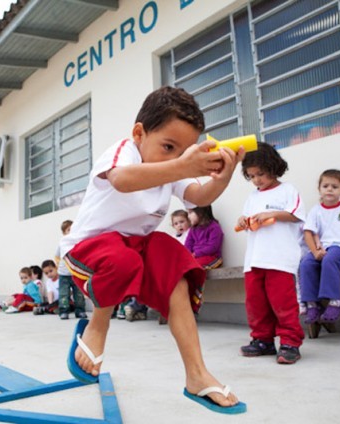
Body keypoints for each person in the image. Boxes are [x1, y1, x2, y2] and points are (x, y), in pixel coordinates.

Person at [60, 86, 245, 414]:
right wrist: (185, 166)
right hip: (89, 251)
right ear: (139, 133)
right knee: (124, 258)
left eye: (185, 152)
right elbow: (122, 180)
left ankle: (196, 374)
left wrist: (223, 177)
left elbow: (199, 198)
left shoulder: (173, 169)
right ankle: (98, 325)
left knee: (174, 259)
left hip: (134, 251)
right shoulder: (124, 151)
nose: (177, 158)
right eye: (169, 147)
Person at [237, 142, 305, 364]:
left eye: (261, 174)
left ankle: (290, 342)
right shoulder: (252, 197)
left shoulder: (288, 190)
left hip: (280, 258)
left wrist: (271, 214)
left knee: (283, 303)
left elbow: (296, 215)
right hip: (254, 259)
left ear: (273, 167)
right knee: (256, 303)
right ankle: (263, 340)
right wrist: (242, 220)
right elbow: (247, 219)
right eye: (252, 176)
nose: (257, 180)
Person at [298, 170, 340, 330]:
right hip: (322, 247)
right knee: (306, 264)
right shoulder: (315, 210)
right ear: (319, 188)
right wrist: (314, 252)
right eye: (325, 186)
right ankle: (312, 304)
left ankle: (335, 301)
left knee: (329, 259)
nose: (329, 189)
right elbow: (308, 233)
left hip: (339, 247)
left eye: (335, 186)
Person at [56, 220, 88, 320]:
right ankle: (64, 311)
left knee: (78, 294)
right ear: (64, 233)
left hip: (76, 273)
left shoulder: (78, 241)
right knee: (63, 294)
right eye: (68, 230)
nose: (71, 232)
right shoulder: (62, 242)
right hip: (63, 274)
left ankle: (80, 310)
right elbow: (57, 256)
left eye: (73, 229)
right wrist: (59, 266)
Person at [185, 205, 224, 269]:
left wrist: (196, 253)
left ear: (200, 212)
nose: (188, 216)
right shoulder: (192, 229)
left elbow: (213, 247)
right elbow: (188, 244)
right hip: (195, 258)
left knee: (195, 266)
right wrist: (189, 255)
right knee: (183, 266)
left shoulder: (214, 227)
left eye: (190, 212)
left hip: (212, 257)